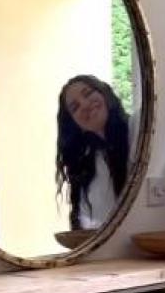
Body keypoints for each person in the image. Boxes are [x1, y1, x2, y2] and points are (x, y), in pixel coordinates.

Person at [56, 75, 132, 230]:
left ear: (104, 94)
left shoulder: (138, 129)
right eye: (75, 107)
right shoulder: (87, 165)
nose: (84, 105)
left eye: (88, 93)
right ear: (75, 124)